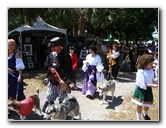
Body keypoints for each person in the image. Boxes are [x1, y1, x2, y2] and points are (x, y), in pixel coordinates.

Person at [42, 37, 72, 113]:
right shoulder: (50, 55)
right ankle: (49, 112)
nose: (53, 48)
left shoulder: (66, 56)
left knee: (62, 98)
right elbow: (45, 65)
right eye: (52, 47)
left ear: (60, 46)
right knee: (49, 96)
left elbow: (68, 70)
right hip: (52, 80)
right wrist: (50, 69)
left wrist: (64, 80)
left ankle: (62, 113)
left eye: (54, 46)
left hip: (62, 80)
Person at [131, 54, 158, 120]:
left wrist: (155, 82)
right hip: (141, 91)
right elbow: (143, 84)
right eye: (151, 64)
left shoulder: (151, 70)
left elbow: (152, 80)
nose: (152, 65)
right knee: (140, 104)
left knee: (147, 103)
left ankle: (145, 114)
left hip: (148, 90)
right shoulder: (141, 72)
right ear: (145, 63)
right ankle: (138, 119)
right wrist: (152, 85)